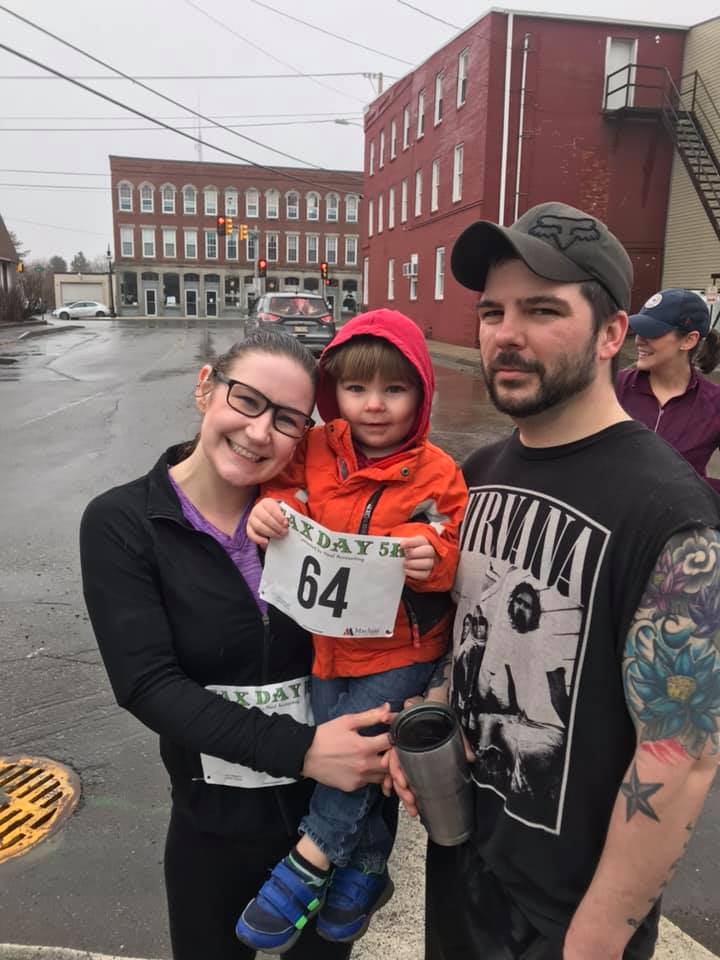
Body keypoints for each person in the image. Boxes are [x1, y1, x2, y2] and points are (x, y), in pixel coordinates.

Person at [387, 202, 720, 959]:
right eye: (493, 310)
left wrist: (598, 937)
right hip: (465, 862)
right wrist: (435, 715)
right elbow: (467, 639)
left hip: (567, 920)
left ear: (612, 334)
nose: (507, 333)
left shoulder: (670, 513)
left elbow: (682, 753)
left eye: (542, 309)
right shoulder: (480, 476)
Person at [79, 330, 395, 960]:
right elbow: (148, 684)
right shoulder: (123, 523)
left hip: (327, 825)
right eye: (246, 401)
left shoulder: (315, 520)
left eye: (287, 421)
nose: (259, 433)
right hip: (211, 827)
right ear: (206, 388)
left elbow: (384, 638)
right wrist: (303, 750)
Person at [236, 309, 468, 953]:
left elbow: (447, 539)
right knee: (349, 763)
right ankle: (365, 868)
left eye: (394, 390)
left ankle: (309, 859)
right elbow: (280, 493)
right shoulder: (313, 451)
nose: (373, 405)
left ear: (421, 395)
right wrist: (271, 513)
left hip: (401, 649)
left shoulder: (437, 472)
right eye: (357, 388)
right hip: (326, 647)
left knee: (358, 754)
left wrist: (428, 557)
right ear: (333, 389)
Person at [616, 287, 720, 493]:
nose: (638, 340)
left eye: (653, 332)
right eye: (639, 330)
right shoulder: (613, 387)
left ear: (689, 340)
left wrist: (696, 493)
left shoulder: (714, 403)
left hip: (678, 522)